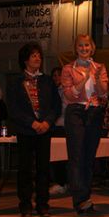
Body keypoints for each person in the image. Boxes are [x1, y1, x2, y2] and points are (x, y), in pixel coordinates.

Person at [7, 42, 61, 217]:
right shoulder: (16, 82)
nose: (37, 58)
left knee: (43, 168)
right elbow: (13, 108)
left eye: (39, 55)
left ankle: (43, 204)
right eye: (33, 55)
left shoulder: (47, 81)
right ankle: (25, 204)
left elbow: (56, 106)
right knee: (24, 169)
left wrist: (47, 122)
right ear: (25, 60)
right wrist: (31, 122)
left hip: (45, 130)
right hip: (26, 130)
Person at [61, 34, 109, 216]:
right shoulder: (68, 69)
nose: (84, 48)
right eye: (80, 45)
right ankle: (79, 200)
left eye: (87, 45)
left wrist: (96, 78)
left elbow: (104, 94)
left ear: (92, 47)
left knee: (89, 157)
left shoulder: (100, 68)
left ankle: (86, 198)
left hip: (94, 112)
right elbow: (70, 95)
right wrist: (85, 77)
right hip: (76, 112)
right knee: (77, 157)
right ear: (76, 48)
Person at [48, 66, 69, 195]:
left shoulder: (66, 91)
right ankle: (59, 181)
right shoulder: (51, 90)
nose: (56, 78)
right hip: (53, 126)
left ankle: (64, 183)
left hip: (64, 126)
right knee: (55, 158)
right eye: (54, 76)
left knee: (64, 158)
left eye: (59, 75)